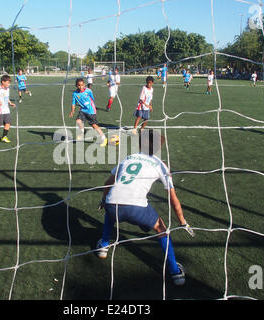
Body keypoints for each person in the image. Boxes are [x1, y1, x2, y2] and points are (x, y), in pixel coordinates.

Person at [96, 129, 195, 286]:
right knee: (161, 229)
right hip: (136, 208)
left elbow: (108, 183)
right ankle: (176, 272)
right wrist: (182, 221)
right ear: (158, 148)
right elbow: (172, 198)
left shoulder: (128, 158)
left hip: (112, 205)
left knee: (111, 206)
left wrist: (103, 200)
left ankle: (104, 246)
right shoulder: (160, 165)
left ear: (140, 144)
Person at [70, 78, 108, 147]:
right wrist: (72, 111)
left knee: (94, 125)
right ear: (76, 86)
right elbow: (73, 103)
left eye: (82, 85)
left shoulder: (88, 91)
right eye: (79, 85)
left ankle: (104, 138)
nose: (81, 87)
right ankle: (81, 133)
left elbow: (92, 99)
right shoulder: (75, 94)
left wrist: (89, 104)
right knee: (78, 121)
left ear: (84, 84)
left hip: (91, 110)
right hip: (83, 110)